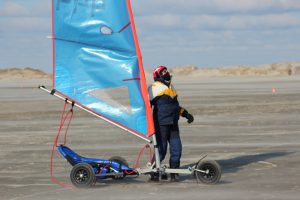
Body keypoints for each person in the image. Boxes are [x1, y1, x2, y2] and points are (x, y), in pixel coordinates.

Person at [148, 66, 194, 181]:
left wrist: (185, 114)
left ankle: (174, 172)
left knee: (177, 149)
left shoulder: (170, 87)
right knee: (161, 150)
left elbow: (174, 106)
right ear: (158, 75)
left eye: (166, 71)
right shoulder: (153, 88)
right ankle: (153, 172)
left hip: (173, 123)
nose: (166, 72)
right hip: (161, 124)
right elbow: (146, 107)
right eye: (163, 71)